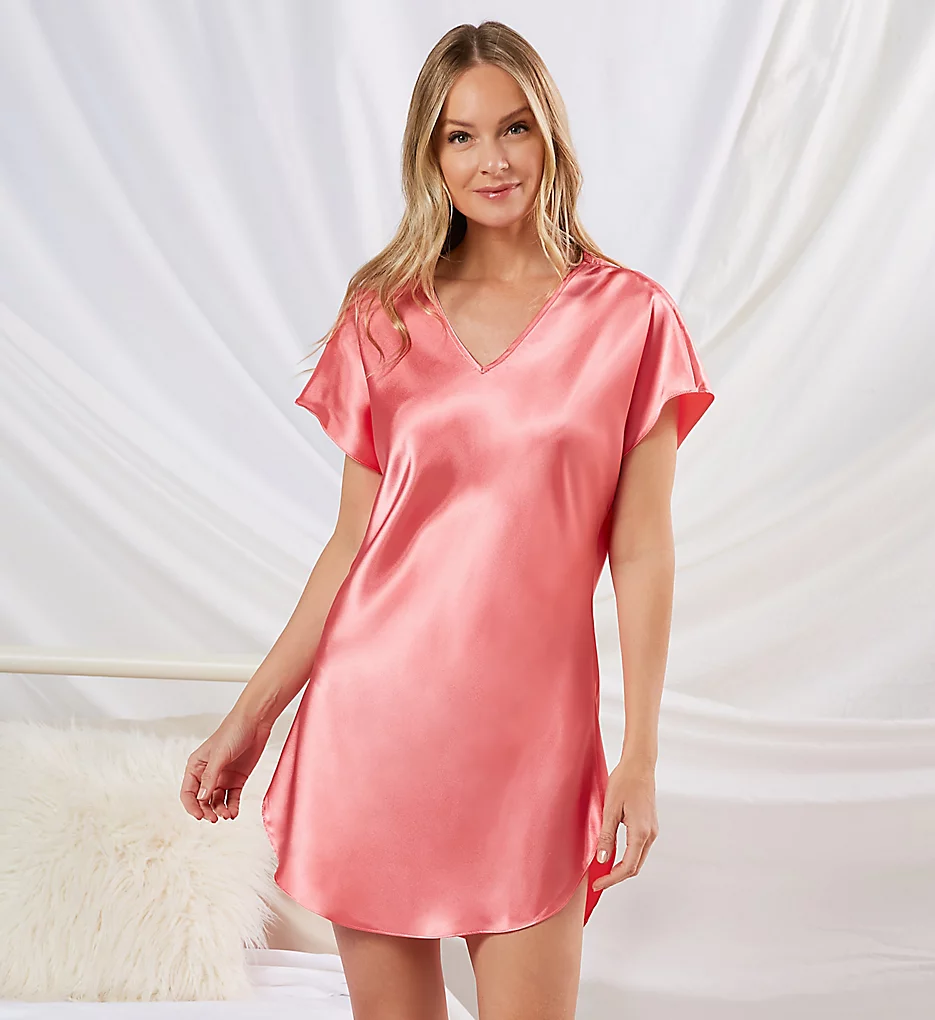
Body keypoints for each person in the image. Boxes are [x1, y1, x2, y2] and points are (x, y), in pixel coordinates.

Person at [180, 20, 714, 1020]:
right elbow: (352, 544)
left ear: (548, 135)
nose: (491, 160)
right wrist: (250, 717)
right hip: (375, 723)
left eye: (513, 128)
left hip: (533, 745)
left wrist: (638, 754)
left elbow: (642, 550)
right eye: (459, 136)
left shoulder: (630, 318)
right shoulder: (383, 311)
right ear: (429, 155)